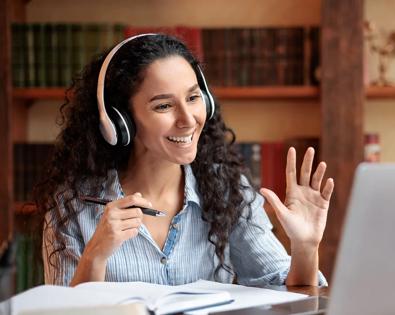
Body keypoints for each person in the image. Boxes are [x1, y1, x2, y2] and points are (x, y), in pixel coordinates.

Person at [33, 34, 334, 287]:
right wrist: (94, 257)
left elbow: (289, 294)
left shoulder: (226, 189)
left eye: (193, 98)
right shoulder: (72, 204)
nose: (188, 120)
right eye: (164, 105)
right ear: (119, 120)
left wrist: (305, 248)